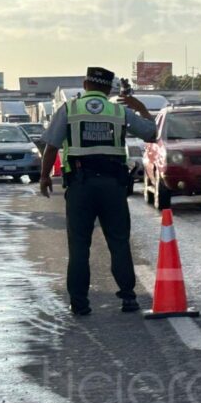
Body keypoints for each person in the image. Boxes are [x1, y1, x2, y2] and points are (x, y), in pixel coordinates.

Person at [39, 67, 157, 316]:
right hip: (113, 187)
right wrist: (140, 107)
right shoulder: (118, 110)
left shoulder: (70, 109)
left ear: (85, 84)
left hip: (80, 186)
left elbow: (51, 146)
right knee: (119, 242)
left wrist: (44, 177)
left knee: (79, 246)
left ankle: (80, 303)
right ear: (109, 89)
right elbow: (151, 132)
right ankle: (129, 298)